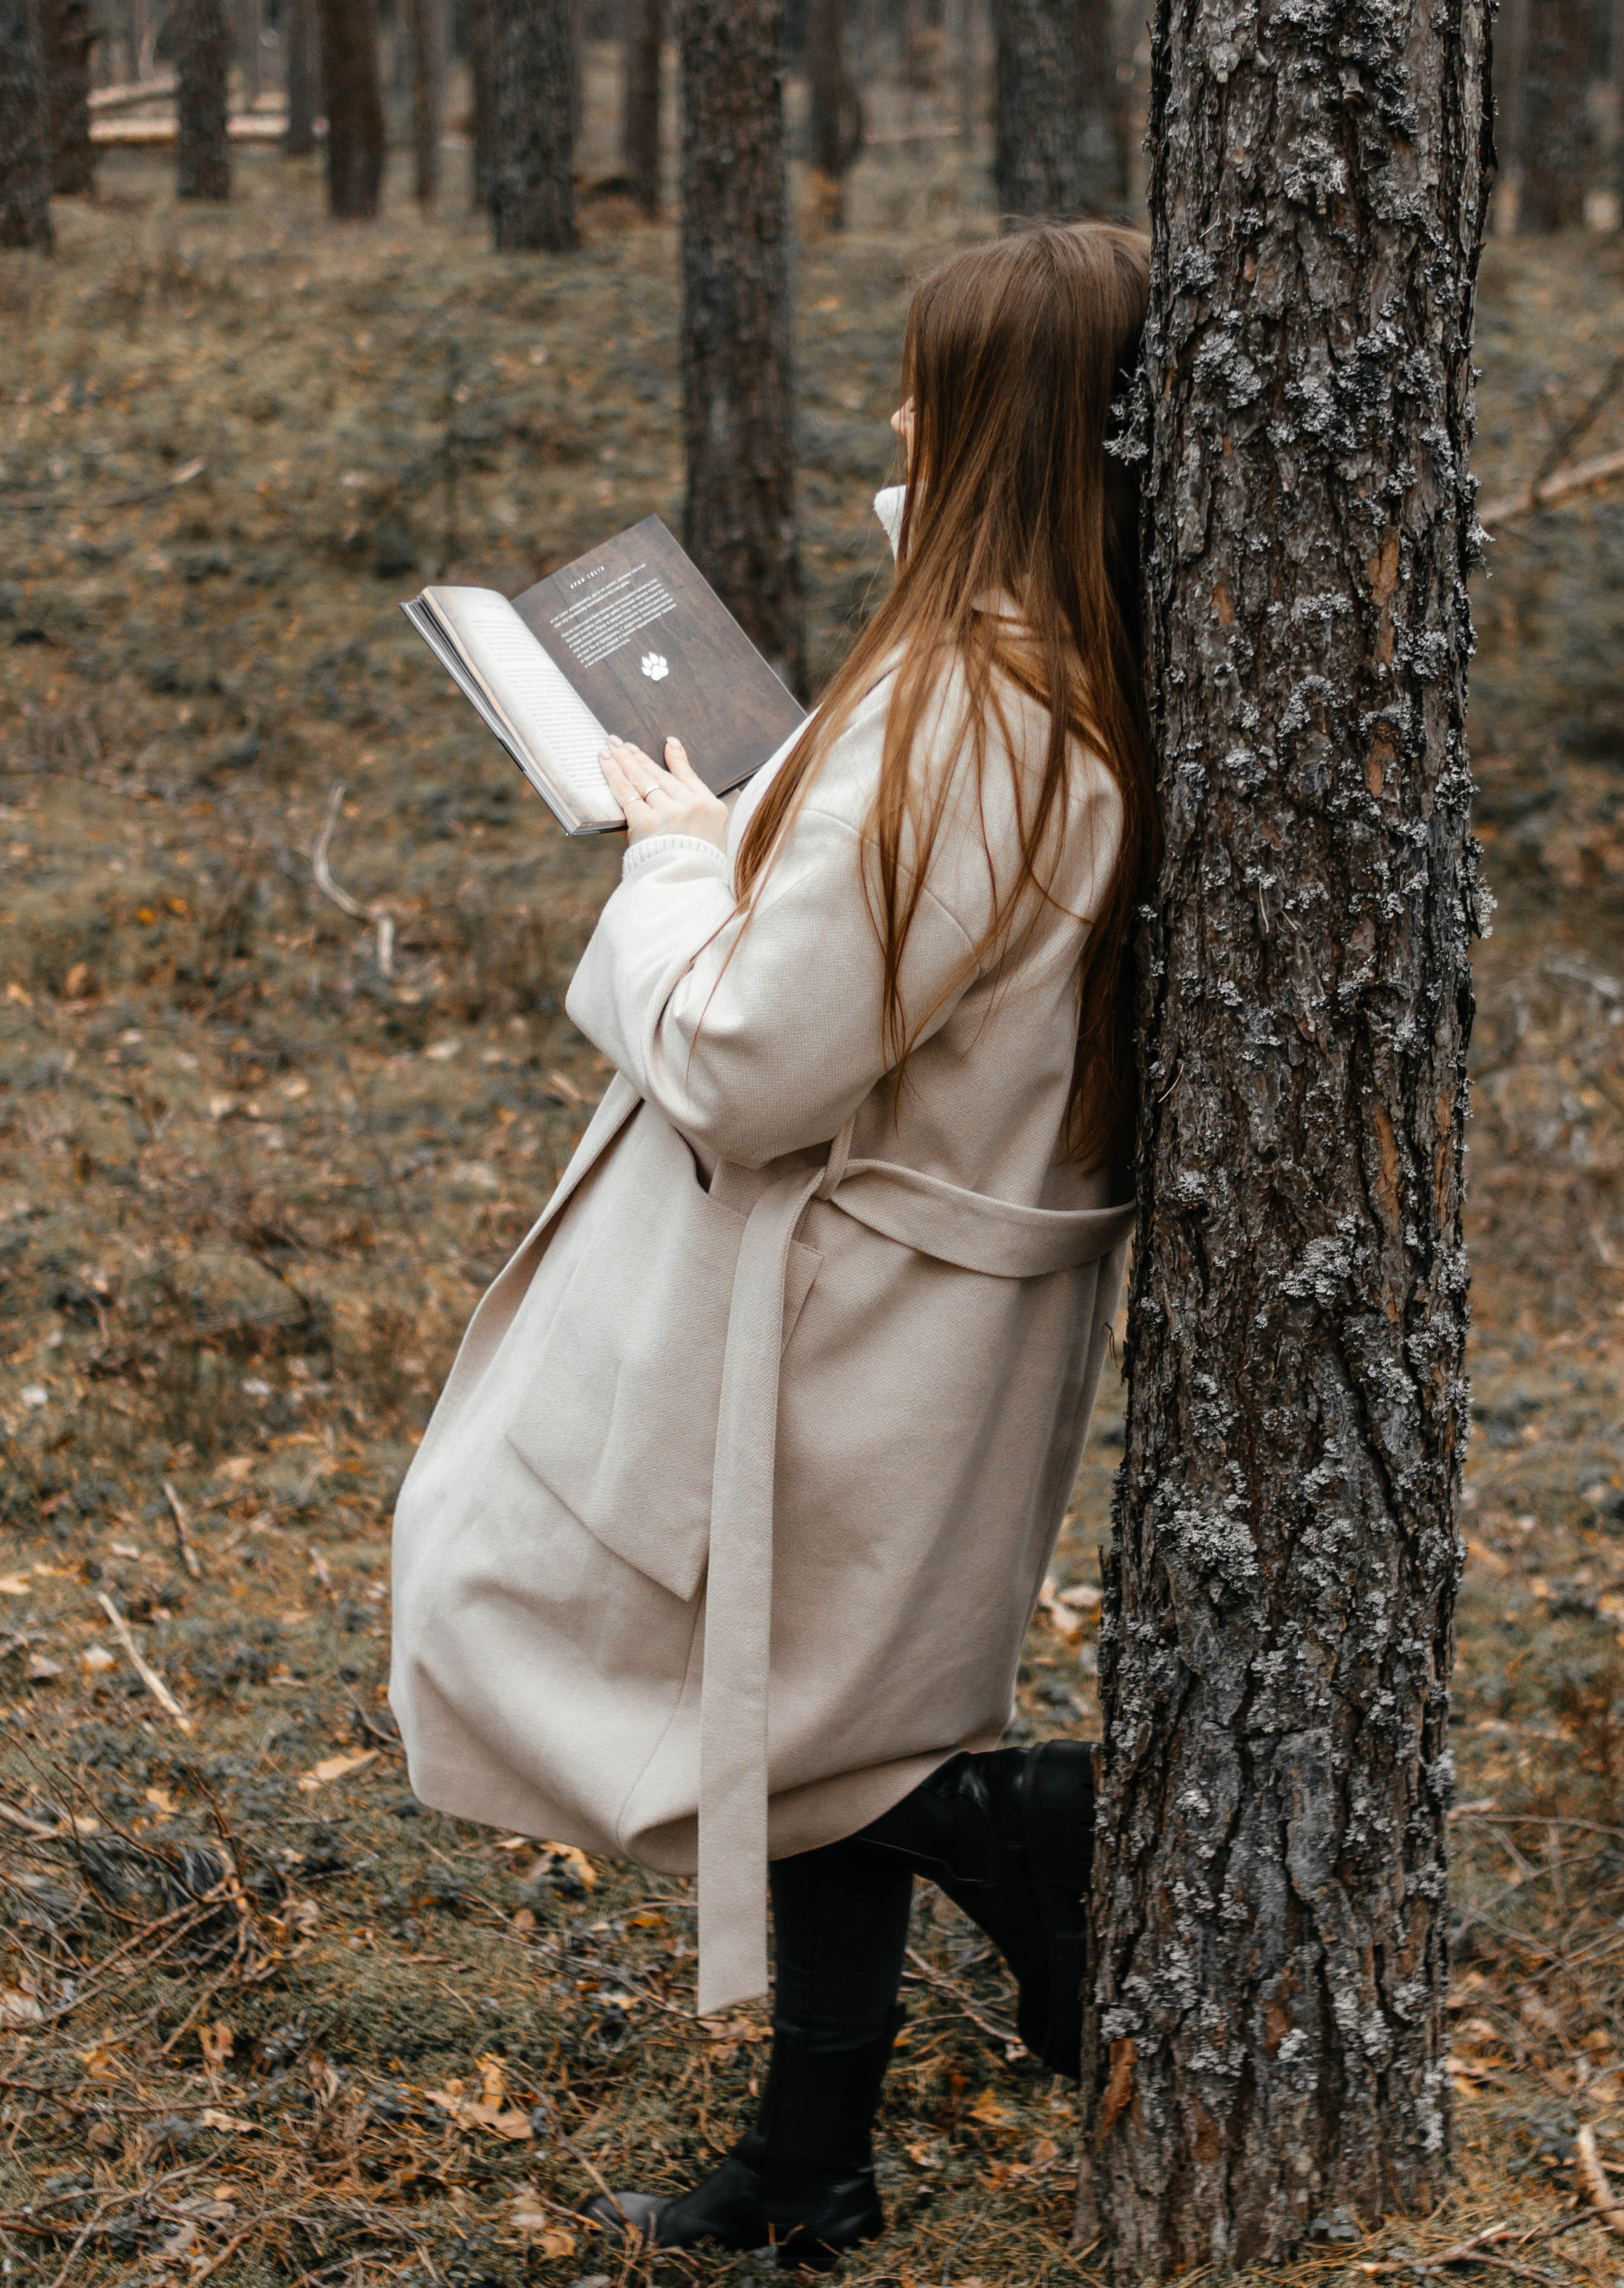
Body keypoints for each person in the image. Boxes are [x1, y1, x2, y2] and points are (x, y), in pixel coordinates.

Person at [390, 221, 1156, 2269]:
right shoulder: (1063, 656)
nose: (892, 415)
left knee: (581, 1626)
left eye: (930, 387)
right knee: (823, 1698)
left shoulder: (975, 710)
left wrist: (669, 859)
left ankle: (1016, 1828)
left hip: (838, 1308)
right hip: (913, 1295)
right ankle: (811, 2160)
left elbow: (745, 1059)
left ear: (1004, 423)